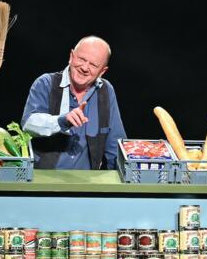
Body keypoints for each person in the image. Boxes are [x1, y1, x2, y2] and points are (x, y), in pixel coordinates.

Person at [21, 36, 127, 170]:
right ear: (71, 56)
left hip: (86, 181)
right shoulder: (46, 83)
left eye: (93, 65)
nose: (85, 67)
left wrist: (122, 176)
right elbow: (29, 124)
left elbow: (116, 145)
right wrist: (62, 121)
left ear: (102, 71)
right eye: (81, 59)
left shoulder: (105, 91)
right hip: (44, 177)